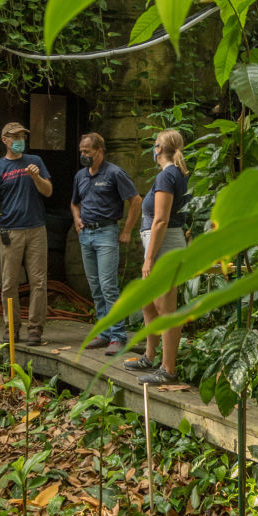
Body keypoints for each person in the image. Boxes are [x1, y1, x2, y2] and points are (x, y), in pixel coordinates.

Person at [0, 121, 53, 345]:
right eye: (14, 137)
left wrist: (36, 177)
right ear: (5, 140)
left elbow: (48, 191)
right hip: (10, 231)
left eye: (22, 136)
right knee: (9, 283)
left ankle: (35, 329)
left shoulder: (35, 161)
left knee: (38, 281)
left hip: (36, 229)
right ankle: (11, 329)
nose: (19, 140)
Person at [123, 129, 190, 385]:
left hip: (164, 246)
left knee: (165, 307)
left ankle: (168, 369)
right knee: (148, 303)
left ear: (159, 148)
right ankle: (149, 357)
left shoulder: (168, 175)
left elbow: (161, 221)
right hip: (161, 244)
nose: (153, 149)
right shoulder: (173, 173)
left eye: (154, 145)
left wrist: (149, 259)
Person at [70, 133, 140, 356]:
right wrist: (76, 219)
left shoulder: (114, 173)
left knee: (108, 285)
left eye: (87, 151)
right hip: (86, 235)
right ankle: (104, 333)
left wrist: (127, 230)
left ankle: (118, 336)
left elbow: (135, 200)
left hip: (106, 233)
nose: (83, 155)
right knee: (95, 287)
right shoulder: (80, 176)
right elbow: (74, 203)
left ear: (100, 150)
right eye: (81, 151)